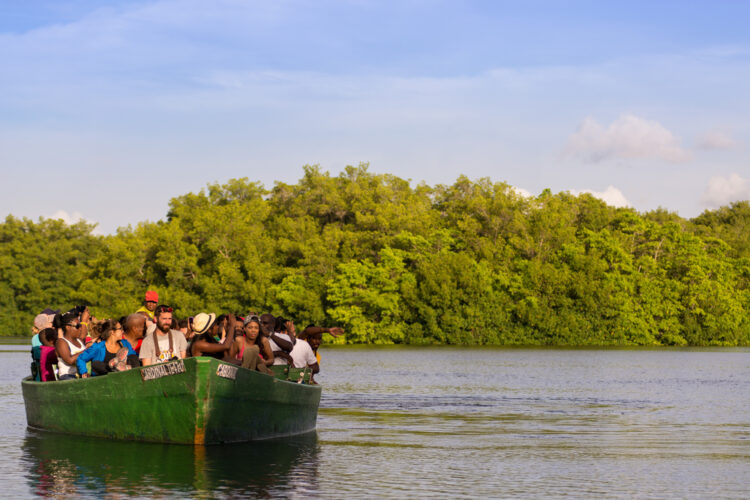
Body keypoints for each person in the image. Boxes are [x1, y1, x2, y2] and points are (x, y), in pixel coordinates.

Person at [54, 310, 86, 380]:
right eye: (77, 326)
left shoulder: (79, 340)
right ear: (68, 327)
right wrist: (87, 351)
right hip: (67, 376)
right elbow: (70, 360)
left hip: (82, 375)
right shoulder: (61, 342)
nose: (80, 328)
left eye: (80, 326)